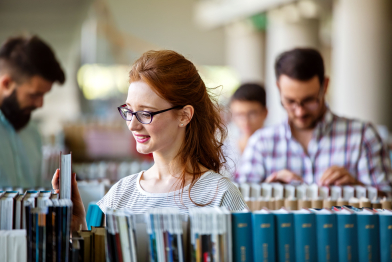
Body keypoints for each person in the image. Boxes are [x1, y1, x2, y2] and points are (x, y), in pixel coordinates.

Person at [52, 50, 247, 231]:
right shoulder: (121, 194)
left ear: (184, 116)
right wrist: (78, 229)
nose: (132, 125)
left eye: (146, 113)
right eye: (129, 111)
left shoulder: (220, 195)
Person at [236, 48, 392, 193]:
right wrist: (267, 191)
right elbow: (240, 204)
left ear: (325, 86)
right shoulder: (261, 143)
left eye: (309, 100)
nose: (300, 111)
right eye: (290, 101)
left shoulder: (363, 136)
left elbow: (387, 201)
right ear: (279, 89)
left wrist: (356, 188)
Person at [0, 35, 65, 188]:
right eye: (34, 94)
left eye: (43, 95)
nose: (40, 104)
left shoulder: (32, 131)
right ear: (7, 84)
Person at [225, 83, 268, 175]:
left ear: (265, 113)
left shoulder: (276, 149)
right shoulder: (224, 150)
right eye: (239, 115)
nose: (245, 121)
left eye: (252, 114)